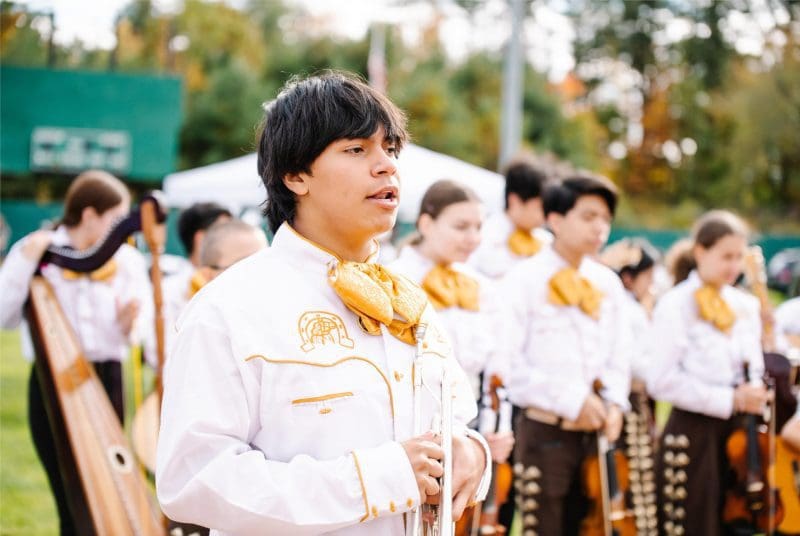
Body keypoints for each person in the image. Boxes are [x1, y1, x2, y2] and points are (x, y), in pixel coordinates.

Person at [156, 71, 491, 535]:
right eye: (357, 150)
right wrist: (378, 479)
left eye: (390, 149)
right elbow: (193, 480)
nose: (387, 165)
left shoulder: (409, 302)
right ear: (295, 176)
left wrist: (472, 451)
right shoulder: (230, 309)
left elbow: (455, 421)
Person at [0, 169, 153, 535]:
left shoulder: (127, 261)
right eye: (115, 219)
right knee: (69, 491)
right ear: (88, 214)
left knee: (107, 487)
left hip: (107, 379)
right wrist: (25, 260)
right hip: (52, 381)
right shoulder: (38, 252)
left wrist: (129, 321)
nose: (122, 229)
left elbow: (139, 332)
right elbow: (4, 315)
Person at [498, 174, 632, 535]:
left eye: (605, 218)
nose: (599, 227)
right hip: (545, 433)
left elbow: (619, 356)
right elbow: (507, 366)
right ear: (555, 220)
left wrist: (616, 403)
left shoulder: (608, 283)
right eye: (588, 216)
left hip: (598, 434)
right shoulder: (523, 280)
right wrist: (571, 400)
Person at [646, 210, 769, 535]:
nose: (734, 266)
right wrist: (729, 398)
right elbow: (661, 380)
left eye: (739, 256)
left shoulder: (744, 305)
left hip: (740, 438)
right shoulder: (676, 304)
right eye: (725, 256)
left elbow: (753, 363)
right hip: (694, 434)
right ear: (700, 251)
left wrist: (754, 390)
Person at [389, 179, 514, 465]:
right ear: (426, 224)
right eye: (461, 227)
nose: (473, 238)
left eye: (479, 227)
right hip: (414, 432)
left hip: (474, 428)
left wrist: (498, 428)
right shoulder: (394, 280)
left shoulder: (483, 287)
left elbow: (498, 366)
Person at [599, 237, 661, 533]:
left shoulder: (633, 306)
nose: (651, 284)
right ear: (628, 277)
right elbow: (635, 363)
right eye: (647, 277)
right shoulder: (626, 308)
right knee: (631, 476)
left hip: (635, 400)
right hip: (628, 401)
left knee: (638, 477)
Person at [469, 155, 552, 280]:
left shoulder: (546, 242)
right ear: (515, 201)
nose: (545, 216)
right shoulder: (481, 237)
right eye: (540, 207)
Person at [162, 202, 232, 348]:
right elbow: (161, 348)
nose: (233, 239)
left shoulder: (232, 282)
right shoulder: (170, 289)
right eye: (225, 232)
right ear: (201, 239)